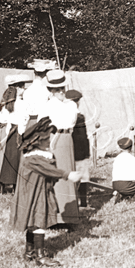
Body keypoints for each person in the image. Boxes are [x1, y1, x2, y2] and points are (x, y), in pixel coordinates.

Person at [9, 117, 81, 266]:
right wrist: (67, 175)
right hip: (34, 195)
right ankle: (40, 256)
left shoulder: (37, 157)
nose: (49, 140)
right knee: (39, 221)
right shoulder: (33, 159)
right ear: (37, 141)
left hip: (37, 192)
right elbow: (48, 169)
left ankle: (30, 252)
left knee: (33, 221)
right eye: (46, 138)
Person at [38, 69, 80, 228]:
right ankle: (56, 218)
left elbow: (72, 122)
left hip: (68, 139)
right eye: (57, 89)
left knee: (69, 175)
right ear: (51, 90)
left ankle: (70, 216)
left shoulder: (71, 104)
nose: (61, 91)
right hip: (54, 140)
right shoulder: (47, 106)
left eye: (63, 88)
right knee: (56, 176)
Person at [0, 74, 30, 193]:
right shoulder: (21, 103)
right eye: (22, 87)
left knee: (10, 158)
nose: (24, 89)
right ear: (17, 89)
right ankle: (15, 185)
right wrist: (22, 133)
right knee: (16, 158)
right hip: (18, 131)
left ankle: (4, 183)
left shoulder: (9, 104)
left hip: (11, 131)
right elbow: (23, 120)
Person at [65, 89, 91, 207]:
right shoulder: (79, 116)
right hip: (79, 151)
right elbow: (82, 137)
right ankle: (83, 202)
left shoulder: (64, 115)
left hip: (69, 150)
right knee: (83, 176)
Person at [112, 137, 135, 203]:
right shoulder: (133, 159)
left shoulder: (117, 158)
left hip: (115, 184)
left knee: (129, 188)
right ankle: (133, 200)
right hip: (125, 184)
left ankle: (119, 193)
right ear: (131, 147)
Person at [23, 59, 55, 128]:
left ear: (34, 72)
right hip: (43, 123)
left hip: (30, 122)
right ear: (45, 74)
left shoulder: (27, 91)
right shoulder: (47, 90)